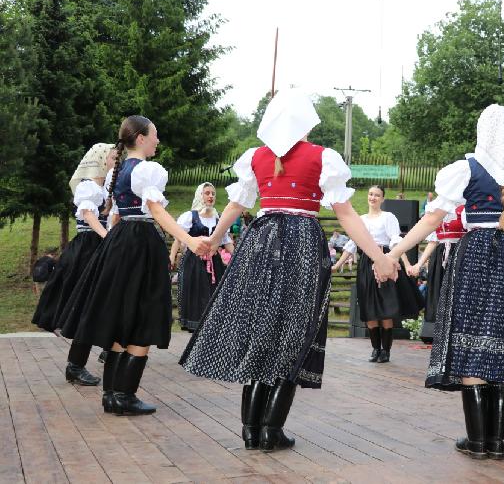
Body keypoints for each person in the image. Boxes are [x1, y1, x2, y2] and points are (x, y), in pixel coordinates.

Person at [178, 89, 399, 452]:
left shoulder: (255, 157)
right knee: (294, 334)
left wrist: (214, 240)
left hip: (261, 241)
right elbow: (346, 214)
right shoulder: (322, 157)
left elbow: (236, 205)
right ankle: (271, 430)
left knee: (261, 331)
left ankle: (251, 431)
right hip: (302, 245)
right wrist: (378, 257)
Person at [387, 104, 504, 460]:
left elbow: (432, 220)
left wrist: (395, 251)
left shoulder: (467, 169)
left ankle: (477, 441)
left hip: (476, 255)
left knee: (472, 341)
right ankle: (496, 442)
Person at [60, 116, 209, 416]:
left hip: (120, 241)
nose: (157, 140)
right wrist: (189, 241)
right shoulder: (146, 170)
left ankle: (112, 395)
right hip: (140, 242)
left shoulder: (119, 170)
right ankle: (124, 395)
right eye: (154, 135)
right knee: (145, 314)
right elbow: (156, 210)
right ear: (140, 138)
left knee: (123, 314)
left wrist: (113, 241)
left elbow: (116, 215)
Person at [32, 143, 117, 386]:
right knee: (87, 307)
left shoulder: (104, 189)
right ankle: (76, 366)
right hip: (87, 249)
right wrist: (107, 235)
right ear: (101, 161)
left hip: (98, 246)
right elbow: (89, 215)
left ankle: (107, 348)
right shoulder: (89, 187)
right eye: (113, 157)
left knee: (100, 303)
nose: (116, 161)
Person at [333, 185, 424, 363]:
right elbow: (351, 245)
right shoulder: (360, 220)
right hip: (366, 264)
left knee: (385, 310)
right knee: (369, 309)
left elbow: (397, 241)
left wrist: (405, 263)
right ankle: (375, 349)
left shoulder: (388, 217)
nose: (373, 197)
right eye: (371, 194)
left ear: (382, 199)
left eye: (377, 195)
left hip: (384, 261)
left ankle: (386, 351)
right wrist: (337, 265)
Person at [169, 183, 235, 332]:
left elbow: (227, 242)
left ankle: (209, 328)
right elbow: (178, 240)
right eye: (207, 193)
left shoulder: (219, 219)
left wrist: (238, 257)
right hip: (193, 262)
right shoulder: (190, 216)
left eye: (213, 193)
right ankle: (194, 327)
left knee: (212, 293)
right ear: (200, 195)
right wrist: (172, 257)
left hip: (214, 263)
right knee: (194, 294)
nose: (211, 196)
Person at [406, 204, 466, 342]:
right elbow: (434, 240)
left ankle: (457, 332)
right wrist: (419, 264)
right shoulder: (439, 208)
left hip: (461, 252)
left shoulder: (465, 206)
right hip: (440, 255)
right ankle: (438, 332)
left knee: (457, 293)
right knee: (437, 292)